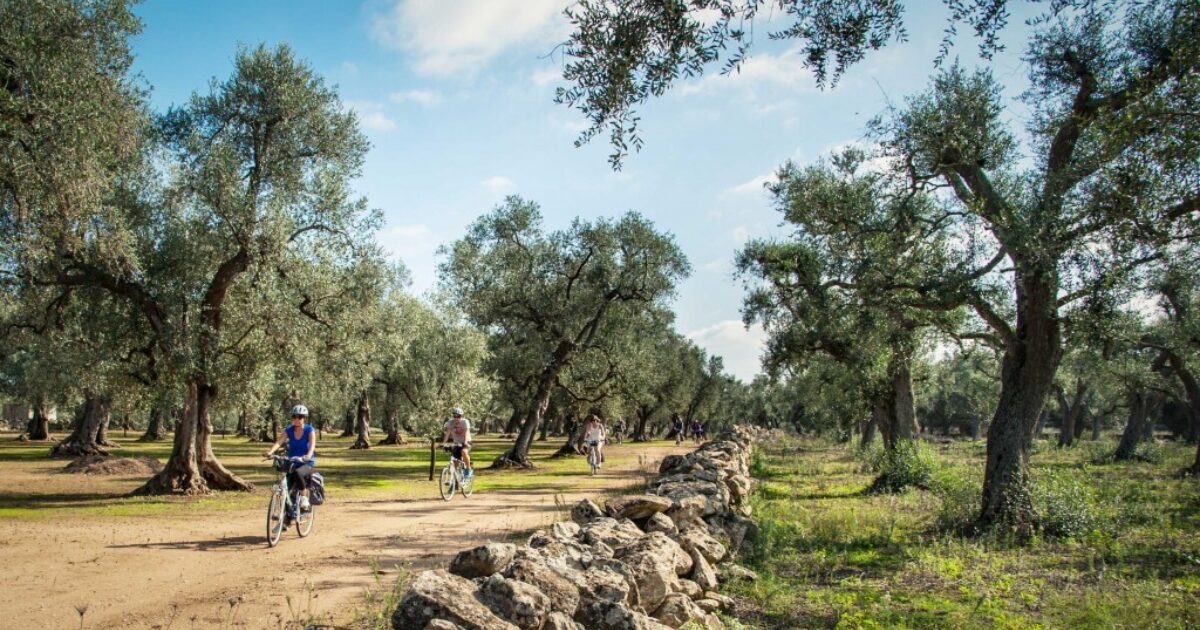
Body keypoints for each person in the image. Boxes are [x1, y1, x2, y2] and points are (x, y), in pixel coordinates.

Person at [265, 404, 317, 514]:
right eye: (294, 416)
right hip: (292, 462)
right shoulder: (289, 430)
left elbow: (312, 445)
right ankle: (287, 517)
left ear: (304, 418)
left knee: (298, 473)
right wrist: (271, 452)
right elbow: (279, 442)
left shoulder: (309, 430)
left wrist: (308, 455)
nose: (297, 419)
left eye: (300, 417)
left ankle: (304, 498)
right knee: (285, 487)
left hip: (307, 464)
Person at [441, 407, 472, 479]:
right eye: (455, 416)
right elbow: (447, 433)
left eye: (459, 416)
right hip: (457, 443)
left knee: (464, 452)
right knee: (455, 463)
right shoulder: (450, 423)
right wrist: (443, 443)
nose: (456, 418)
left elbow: (466, 432)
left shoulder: (465, 422)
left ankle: (468, 469)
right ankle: (454, 481)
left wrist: (465, 442)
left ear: (462, 416)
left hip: (467, 442)